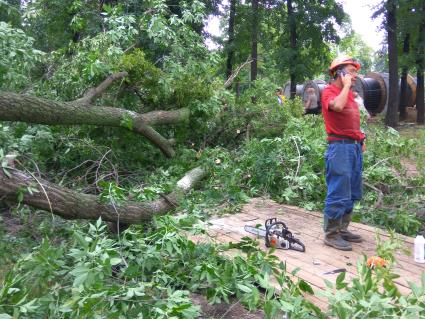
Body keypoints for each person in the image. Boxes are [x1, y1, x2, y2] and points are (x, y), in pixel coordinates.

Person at [320, 56, 366, 251]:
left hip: (353, 147)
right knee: (339, 188)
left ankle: (342, 229)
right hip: (339, 148)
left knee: (353, 189)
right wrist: (346, 86)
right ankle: (331, 234)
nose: (355, 75)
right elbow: (337, 107)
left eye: (355, 72)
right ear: (339, 73)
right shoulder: (330, 92)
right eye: (351, 71)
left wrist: (360, 138)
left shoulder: (350, 95)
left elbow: (352, 120)